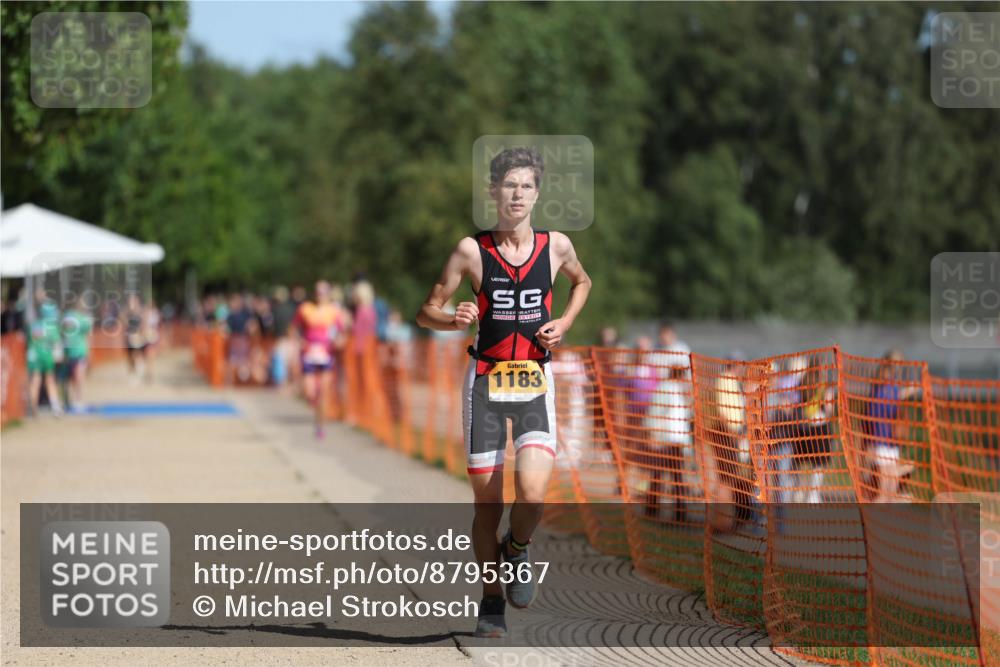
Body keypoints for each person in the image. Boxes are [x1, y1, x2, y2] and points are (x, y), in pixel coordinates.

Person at [416, 146, 592, 638]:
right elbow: (425, 310)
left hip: (535, 379)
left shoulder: (555, 246)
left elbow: (583, 282)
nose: (517, 194)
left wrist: (566, 322)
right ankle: (491, 600)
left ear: (538, 194)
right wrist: (453, 319)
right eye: (508, 185)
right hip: (486, 383)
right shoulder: (471, 250)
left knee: (533, 494)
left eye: (526, 186)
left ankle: (518, 547)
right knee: (487, 505)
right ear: (493, 192)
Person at [292, 280, 346, 439]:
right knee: (310, 392)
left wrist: (339, 341)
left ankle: (320, 425)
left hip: (326, 354)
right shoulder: (305, 309)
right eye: (317, 292)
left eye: (323, 292)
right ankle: (316, 411)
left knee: (323, 392)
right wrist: (300, 340)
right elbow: (294, 328)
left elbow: (341, 332)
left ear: (328, 294)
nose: (320, 295)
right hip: (309, 353)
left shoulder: (333, 311)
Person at [864, 349, 919, 502]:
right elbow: (882, 405)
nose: (898, 368)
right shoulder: (882, 383)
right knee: (884, 491)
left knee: (891, 489)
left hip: (890, 440)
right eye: (896, 364)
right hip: (882, 439)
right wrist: (907, 392)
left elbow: (891, 401)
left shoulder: (890, 384)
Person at [27, 291, 63, 416]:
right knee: (50, 380)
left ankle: (33, 409)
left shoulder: (33, 325)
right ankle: (56, 407)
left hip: (33, 356)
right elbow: (57, 344)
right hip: (47, 356)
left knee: (35, 381)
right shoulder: (52, 326)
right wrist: (59, 357)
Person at [59, 296, 93, 413]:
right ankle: (75, 401)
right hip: (75, 351)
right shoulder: (81, 318)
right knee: (76, 377)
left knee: (71, 377)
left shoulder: (67, 317)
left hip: (72, 351)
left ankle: (71, 401)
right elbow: (88, 334)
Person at [122, 294, 148, 384]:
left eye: (133, 301)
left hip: (139, 338)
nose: (132, 303)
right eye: (130, 301)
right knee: (130, 357)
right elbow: (124, 322)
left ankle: (139, 372)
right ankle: (132, 374)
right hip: (130, 337)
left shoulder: (141, 312)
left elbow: (144, 324)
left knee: (137, 355)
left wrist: (143, 335)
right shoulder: (127, 313)